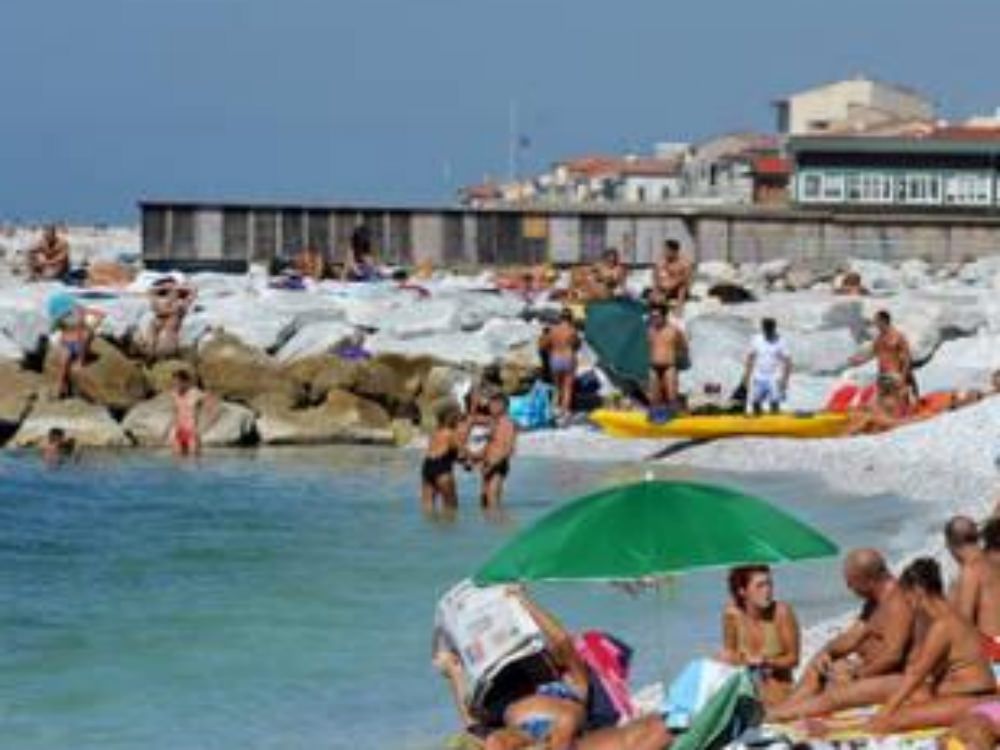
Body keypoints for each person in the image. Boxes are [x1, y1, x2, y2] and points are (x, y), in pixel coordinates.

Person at [435, 588, 671, 750]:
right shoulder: (568, 685)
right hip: (528, 734)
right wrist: (454, 673)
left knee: (497, 735)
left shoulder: (574, 681)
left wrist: (524, 601)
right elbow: (473, 722)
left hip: (552, 732)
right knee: (491, 737)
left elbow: (562, 642)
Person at [768, 549, 915, 722]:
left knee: (838, 694)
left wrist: (856, 675)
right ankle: (784, 708)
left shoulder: (897, 603)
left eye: (851, 582)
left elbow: (893, 656)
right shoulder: (875, 601)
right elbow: (852, 637)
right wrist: (826, 652)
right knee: (820, 665)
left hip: (902, 679)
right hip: (873, 671)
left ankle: (780, 715)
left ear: (867, 580)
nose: (849, 588)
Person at [861, 557, 997, 735]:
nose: (908, 604)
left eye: (907, 597)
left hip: (972, 698)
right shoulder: (954, 615)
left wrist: (885, 712)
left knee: (891, 721)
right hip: (974, 694)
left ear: (918, 591)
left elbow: (916, 674)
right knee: (912, 697)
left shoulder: (943, 625)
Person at [719, 565, 801, 707]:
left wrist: (766, 662)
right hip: (746, 689)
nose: (767, 591)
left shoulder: (781, 612)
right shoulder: (732, 615)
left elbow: (793, 659)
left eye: (769, 584)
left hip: (778, 691)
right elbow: (730, 655)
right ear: (742, 591)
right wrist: (740, 659)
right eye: (760, 586)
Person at [945, 516, 1000, 661]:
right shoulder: (992, 560)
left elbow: (965, 625)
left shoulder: (971, 569)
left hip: (995, 651)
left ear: (950, 545)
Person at [849, 310, 914, 404]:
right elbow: (872, 354)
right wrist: (858, 361)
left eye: (876, 321)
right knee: (880, 403)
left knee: (896, 403)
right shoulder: (879, 338)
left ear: (884, 321)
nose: (875, 324)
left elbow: (907, 358)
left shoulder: (898, 336)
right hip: (882, 376)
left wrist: (903, 377)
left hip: (896, 375)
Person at [50, 297, 106, 399]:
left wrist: (93, 325)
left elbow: (101, 314)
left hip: (79, 342)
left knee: (82, 339)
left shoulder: (80, 312)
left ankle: (80, 362)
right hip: (68, 343)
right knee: (64, 362)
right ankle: (62, 386)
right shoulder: (62, 317)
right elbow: (54, 329)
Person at [742, 318, 791, 416]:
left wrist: (785, 380)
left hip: (774, 376)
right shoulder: (756, 339)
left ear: (774, 328)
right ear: (763, 328)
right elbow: (750, 357)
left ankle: (775, 421)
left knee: (774, 402)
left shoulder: (781, 341)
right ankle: (757, 421)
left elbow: (787, 361)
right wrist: (746, 376)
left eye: (770, 329)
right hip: (759, 376)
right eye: (766, 328)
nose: (767, 331)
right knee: (756, 402)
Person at [421, 404, 465, 513]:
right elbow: (461, 455)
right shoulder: (451, 434)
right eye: (458, 418)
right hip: (442, 466)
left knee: (427, 506)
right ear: (453, 419)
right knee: (451, 506)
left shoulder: (434, 433)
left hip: (427, 466)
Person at [539, 309, 580, 417]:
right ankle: (564, 412)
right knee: (567, 388)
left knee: (556, 387)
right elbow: (577, 346)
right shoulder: (572, 331)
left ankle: (554, 410)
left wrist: (550, 350)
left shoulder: (553, 330)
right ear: (571, 319)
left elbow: (543, 345)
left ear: (560, 318)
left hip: (555, 358)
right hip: (568, 357)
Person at [478, 393, 517, 508]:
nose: (490, 407)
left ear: (503, 406)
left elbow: (508, 449)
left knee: (493, 497)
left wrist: (493, 465)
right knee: (484, 498)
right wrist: (477, 458)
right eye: (490, 405)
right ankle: (487, 519)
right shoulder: (493, 422)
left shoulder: (508, 424)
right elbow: (489, 445)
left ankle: (497, 517)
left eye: (493, 405)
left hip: (498, 464)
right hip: (487, 463)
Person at [144, 276, 195, 361]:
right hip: (159, 321)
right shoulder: (157, 304)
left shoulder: (179, 304)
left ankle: (161, 356)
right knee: (152, 330)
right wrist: (164, 288)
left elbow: (192, 292)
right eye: (165, 292)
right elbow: (150, 293)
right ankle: (151, 356)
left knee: (168, 328)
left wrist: (175, 289)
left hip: (171, 327)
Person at [647, 306, 686, 414]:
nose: (654, 319)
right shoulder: (648, 331)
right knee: (654, 398)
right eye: (652, 317)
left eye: (657, 316)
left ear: (664, 317)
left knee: (672, 396)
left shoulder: (674, 331)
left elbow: (684, 348)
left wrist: (677, 361)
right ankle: (656, 415)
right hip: (653, 367)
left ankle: (674, 413)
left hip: (669, 366)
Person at [169, 369, 215, 457]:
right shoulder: (174, 394)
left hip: (192, 432)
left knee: (193, 460)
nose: (175, 385)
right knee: (177, 460)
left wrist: (204, 427)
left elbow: (212, 406)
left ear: (185, 382)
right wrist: (171, 430)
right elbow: (174, 412)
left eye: (177, 383)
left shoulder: (195, 393)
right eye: (174, 383)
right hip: (178, 431)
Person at [653, 239, 693, 307]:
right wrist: (657, 291)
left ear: (674, 251)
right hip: (663, 288)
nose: (664, 252)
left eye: (667, 250)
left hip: (677, 290)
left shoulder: (684, 263)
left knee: (682, 286)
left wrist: (670, 287)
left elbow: (685, 279)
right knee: (652, 294)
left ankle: (679, 307)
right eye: (664, 250)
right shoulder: (661, 261)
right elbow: (656, 277)